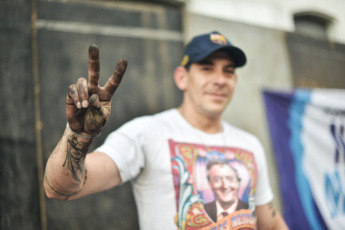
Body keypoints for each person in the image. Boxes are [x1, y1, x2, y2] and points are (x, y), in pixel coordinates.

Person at [44, 31, 289, 229]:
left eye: (229, 71)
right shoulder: (148, 132)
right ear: (182, 77)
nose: (220, 79)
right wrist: (78, 136)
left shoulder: (250, 145)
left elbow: (271, 222)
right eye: (207, 68)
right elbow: (58, 188)